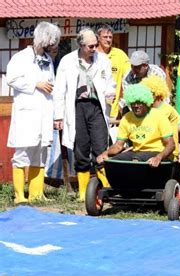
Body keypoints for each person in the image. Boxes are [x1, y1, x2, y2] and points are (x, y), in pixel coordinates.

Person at [53, 28, 116, 201]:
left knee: (100, 147)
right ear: (81, 45)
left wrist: (110, 92)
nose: (94, 49)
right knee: (81, 148)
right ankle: (83, 192)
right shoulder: (67, 61)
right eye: (90, 46)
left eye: (96, 45)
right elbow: (59, 89)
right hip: (77, 108)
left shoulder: (102, 60)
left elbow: (111, 82)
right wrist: (58, 116)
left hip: (96, 107)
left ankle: (104, 190)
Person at [6, 21, 61, 204]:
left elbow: (52, 84)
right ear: (40, 39)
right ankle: (19, 195)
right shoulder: (20, 58)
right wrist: (35, 84)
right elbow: (12, 79)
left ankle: (37, 193)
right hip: (27, 113)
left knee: (41, 151)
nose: (49, 47)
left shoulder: (48, 60)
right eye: (48, 42)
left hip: (44, 111)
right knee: (23, 151)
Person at [97, 84, 175, 166]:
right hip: (136, 152)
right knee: (113, 161)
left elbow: (171, 144)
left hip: (156, 151)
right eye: (133, 103)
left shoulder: (159, 116)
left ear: (145, 102)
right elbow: (118, 146)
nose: (136, 106)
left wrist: (159, 157)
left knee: (137, 159)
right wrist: (105, 154)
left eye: (139, 103)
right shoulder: (126, 118)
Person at [140, 75, 180, 162]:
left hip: (169, 155)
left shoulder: (168, 110)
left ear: (155, 94)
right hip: (150, 152)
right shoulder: (146, 111)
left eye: (146, 94)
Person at [96, 24, 130, 121]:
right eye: (105, 37)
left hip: (114, 110)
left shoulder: (120, 55)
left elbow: (129, 78)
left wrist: (122, 103)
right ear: (98, 38)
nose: (108, 40)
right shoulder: (93, 55)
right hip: (95, 109)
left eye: (110, 37)